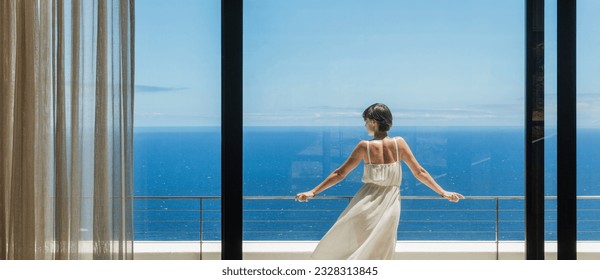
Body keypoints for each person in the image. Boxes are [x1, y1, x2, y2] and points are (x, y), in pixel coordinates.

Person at [295, 103, 464, 260]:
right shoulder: (400, 144)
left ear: (374, 122)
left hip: (364, 205)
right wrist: (443, 192)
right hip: (390, 206)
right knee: (382, 252)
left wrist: (312, 192)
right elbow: (419, 172)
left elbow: (340, 173)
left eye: (366, 121)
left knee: (355, 249)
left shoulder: (364, 146)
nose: (365, 125)